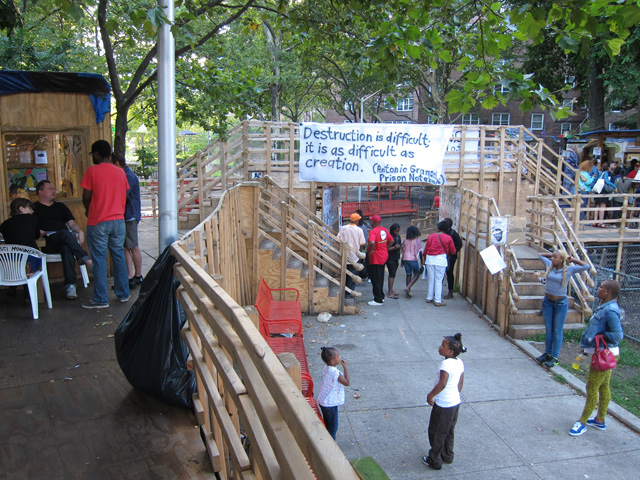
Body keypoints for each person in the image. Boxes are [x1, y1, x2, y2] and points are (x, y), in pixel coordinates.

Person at [569, 280, 623, 436]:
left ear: (607, 292)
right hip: (602, 353)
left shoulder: (611, 310)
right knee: (603, 386)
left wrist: (600, 337)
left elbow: (618, 335)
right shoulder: (606, 307)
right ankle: (600, 420)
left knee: (592, 387)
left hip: (605, 355)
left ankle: (583, 422)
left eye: (601, 288)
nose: (598, 289)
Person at [81, 140, 130, 308]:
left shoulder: (92, 171)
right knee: (118, 256)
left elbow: (86, 196)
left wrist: (89, 210)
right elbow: (124, 194)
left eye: (92, 154)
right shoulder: (120, 172)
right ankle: (123, 293)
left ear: (96, 153)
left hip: (99, 221)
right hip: (118, 221)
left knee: (99, 260)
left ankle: (101, 299)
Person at [33, 179, 93, 300]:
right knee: (64, 234)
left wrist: (80, 231)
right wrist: (37, 232)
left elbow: (72, 224)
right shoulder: (34, 208)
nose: (53, 191)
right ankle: (86, 259)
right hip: (47, 241)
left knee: (67, 248)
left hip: (64, 240)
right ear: (40, 192)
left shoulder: (60, 206)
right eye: (50, 189)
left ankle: (70, 286)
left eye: (53, 188)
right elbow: (30, 227)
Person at [536, 251, 590, 368]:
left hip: (560, 303)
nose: (552, 258)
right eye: (552, 257)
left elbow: (586, 266)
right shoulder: (549, 265)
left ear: (561, 260)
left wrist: (572, 259)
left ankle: (554, 357)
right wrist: (553, 254)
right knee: (549, 329)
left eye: (555, 257)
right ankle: (547, 353)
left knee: (557, 330)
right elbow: (540, 254)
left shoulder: (569, 270)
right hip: (547, 302)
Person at [423, 333, 466, 470]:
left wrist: (430, 396)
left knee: (436, 433)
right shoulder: (460, 363)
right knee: (449, 431)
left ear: (450, 351)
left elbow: (442, 384)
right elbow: (460, 382)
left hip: (443, 406)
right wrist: (455, 394)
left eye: (443, 345)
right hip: (455, 403)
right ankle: (447, 455)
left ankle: (434, 460)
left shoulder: (445, 364)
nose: (439, 347)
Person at [112, 153, 143, 289]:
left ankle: (138, 275)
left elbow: (122, 194)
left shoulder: (128, 176)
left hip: (129, 215)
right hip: (125, 215)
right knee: (125, 246)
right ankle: (130, 276)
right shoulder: (125, 174)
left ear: (117, 163)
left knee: (132, 246)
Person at [0, 198, 42, 274]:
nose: (32, 211)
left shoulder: (4, 224)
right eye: (29, 208)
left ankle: (13, 285)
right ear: (21, 208)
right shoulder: (32, 218)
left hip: (11, 261)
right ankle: (31, 285)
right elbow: (37, 236)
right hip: (30, 258)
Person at [317, 346, 350, 440]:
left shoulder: (326, 369)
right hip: (330, 404)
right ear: (332, 361)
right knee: (332, 427)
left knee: (327, 423)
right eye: (338, 357)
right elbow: (347, 382)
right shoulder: (335, 373)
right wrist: (345, 367)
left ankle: (325, 440)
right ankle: (331, 446)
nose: (340, 358)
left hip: (323, 401)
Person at [423, 221, 455, 306]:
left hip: (430, 259)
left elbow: (426, 249)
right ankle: (438, 300)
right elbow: (453, 251)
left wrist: (424, 258)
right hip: (440, 260)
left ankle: (429, 297)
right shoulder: (448, 238)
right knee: (438, 280)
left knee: (431, 279)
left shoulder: (431, 236)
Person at [337, 212, 366, 298]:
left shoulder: (343, 228)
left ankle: (344, 291)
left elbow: (338, 240)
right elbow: (362, 244)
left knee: (344, 274)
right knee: (353, 276)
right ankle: (349, 293)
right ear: (357, 221)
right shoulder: (359, 230)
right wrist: (360, 254)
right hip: (354, 257)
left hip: (344, 255)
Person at [366, 215, 393, 306]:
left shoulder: (373, 232)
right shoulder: (384, 230)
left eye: (371, 221)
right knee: (380, 277)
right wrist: (385, 248)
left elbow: (372, 242)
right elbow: (391, 241)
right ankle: (381, 295)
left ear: (374, 222)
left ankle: (378, 299)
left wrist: (370, 251)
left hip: (376, 257)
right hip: (383, 255)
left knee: (375, 278)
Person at [442, 218, 462, 300]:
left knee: (449, 273)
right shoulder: (443, 233)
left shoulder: (453, 234)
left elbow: (459, 244)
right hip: (443, 255)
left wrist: (453, 252)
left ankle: (450, 291)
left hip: (450, 257)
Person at [593, 162, 617, 228]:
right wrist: (614, 186)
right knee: (602, 207)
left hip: (598, 190)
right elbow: (607, 181)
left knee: (597, 206)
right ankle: (601, 222)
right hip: (603, 191)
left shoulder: (600, 172)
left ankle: (595, 221)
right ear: (608, 167)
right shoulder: (606, 173)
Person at [402, 225, 422, 298]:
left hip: (405, 259)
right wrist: (422, 261)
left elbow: (403, 250)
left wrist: (402, 261)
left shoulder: (405, 240)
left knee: (408, 274)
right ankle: (408, 287)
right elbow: (419, 251)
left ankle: (408, 293)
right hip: (413, 259)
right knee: (417, 274)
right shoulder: (417, 240)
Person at [386, 223, 402, 299]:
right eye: (396, 231)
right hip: (390, 258)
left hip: (396, 257)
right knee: (391, 274)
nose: (397, 232)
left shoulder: (398, 237)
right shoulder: (390, 237)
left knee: (393, 274)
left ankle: (391, 290)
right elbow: (386, 249)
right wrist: (395, 247)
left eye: (398, 231)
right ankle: (390, 292)